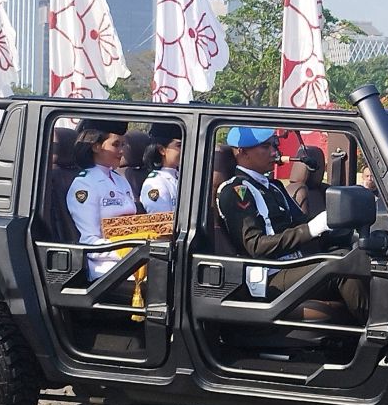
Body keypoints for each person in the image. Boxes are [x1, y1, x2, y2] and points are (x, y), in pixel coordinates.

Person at [215, 126, 365, 321]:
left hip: (293, 265)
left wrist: (342, 228)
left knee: (358, 256)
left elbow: (300, 222)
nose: (274, 152)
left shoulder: (274, 187)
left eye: (274, 145)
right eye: (265, 147)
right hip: (268, 274)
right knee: (341, 265)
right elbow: (255, 246)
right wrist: (311, 229)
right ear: (241, 152)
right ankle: (381, 338)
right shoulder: (235, 190)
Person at [66, 120, 139, 279]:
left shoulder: (120, 179)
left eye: (123, 145)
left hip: (133, 258)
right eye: (116, 145)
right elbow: (89, 242)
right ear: (96, 146)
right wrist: (128, 250)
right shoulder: (84, 185)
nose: (121, 151)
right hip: (106, 270)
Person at [139, 133, 181, 215]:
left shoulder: (181, 176)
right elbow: (162, 223)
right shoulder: (155, 182)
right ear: (162, 150)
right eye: (179, 146)